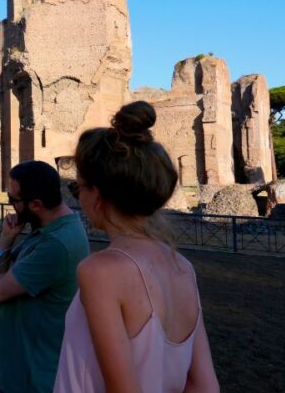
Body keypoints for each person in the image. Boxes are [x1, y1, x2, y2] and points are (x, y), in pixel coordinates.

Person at [54, 101, 219, 392]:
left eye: (77, 188)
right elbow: (204, 385)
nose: (78, 198)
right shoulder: (183, 267)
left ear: (98, 194)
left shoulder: (101, 271)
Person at [0, 160, 90, 393]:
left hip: (32, 375)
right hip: (21, 365)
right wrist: (6, 239)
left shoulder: (55, 245)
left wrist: (4, 249)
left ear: (36, 204)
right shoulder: (50, 228)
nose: (10, 206)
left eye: (13, 200)